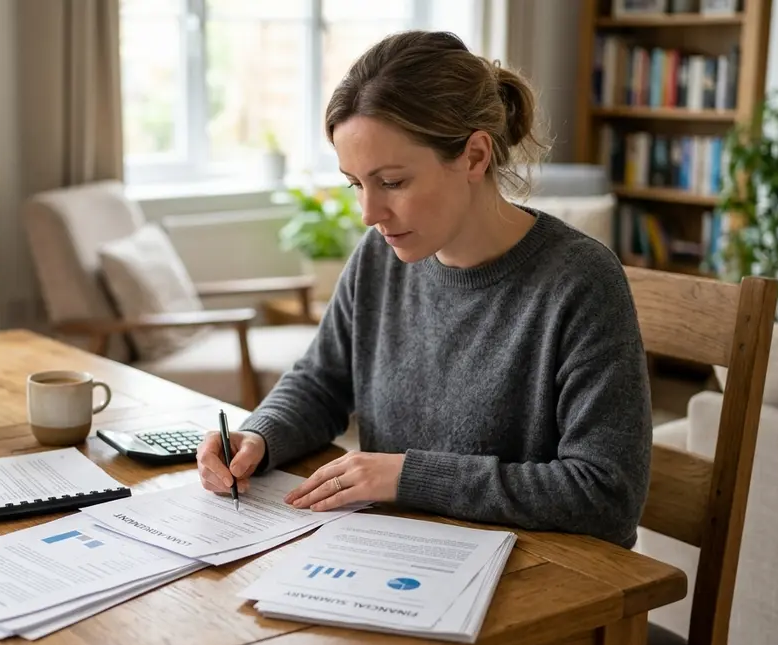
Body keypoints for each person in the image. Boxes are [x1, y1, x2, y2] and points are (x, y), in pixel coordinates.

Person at [195, 30, 652, 549]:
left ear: (475, 156)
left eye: (391, 182)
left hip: (534, 584)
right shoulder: (380, 257)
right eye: (355, 184)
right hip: (394, 558)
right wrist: (260, 435)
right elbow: (321, 383)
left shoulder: (581, 281)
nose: (369, 213)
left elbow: (607, 495)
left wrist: (408, 476)